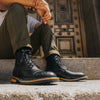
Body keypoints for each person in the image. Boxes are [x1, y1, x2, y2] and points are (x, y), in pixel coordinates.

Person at [0, 0, 88, 85]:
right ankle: (21, 69)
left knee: (44, 27)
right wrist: (36, 2)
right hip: (3, 50)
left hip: (21, 53)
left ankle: (54, 65)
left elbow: (45, 29)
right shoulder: (10, 9)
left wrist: (45, 16)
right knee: (16, 7)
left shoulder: (27, 18)